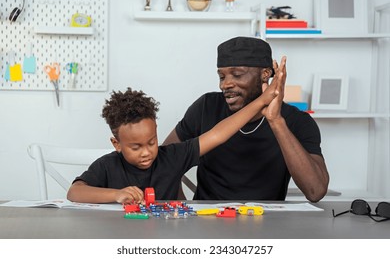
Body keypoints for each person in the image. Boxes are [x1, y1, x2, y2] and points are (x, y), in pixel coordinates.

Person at [67, 74, 283, 204]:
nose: (146, 152)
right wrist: (116, 195)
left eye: (151, 142)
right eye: (135, 147)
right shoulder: (107, 166)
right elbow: (74, 192)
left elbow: (219, 133)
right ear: (117, 144)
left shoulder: (172, 156)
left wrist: (263, 100)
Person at [163, 36, 329, 202]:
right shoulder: (206, 107)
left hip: (267, 223)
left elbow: (315, 191)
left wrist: (276, 122)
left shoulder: (297, 121)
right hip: (208, 220)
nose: (225, 85)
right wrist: (182, 205)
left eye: (237, 75)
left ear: (265, 74)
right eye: (222, 76)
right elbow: (164, 162)